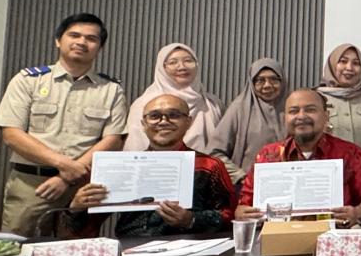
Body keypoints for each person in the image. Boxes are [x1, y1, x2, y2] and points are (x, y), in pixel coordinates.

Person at [0, 13, 129, 236]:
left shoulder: (111, 89)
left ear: (100, 47)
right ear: (58, 40)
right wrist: (64, 164)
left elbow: (113, 140)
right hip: (32, 184)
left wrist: (67, 176)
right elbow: (11, 134)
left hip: (84, 186)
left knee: (77, 248)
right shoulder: (28, 80)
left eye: (91, 38)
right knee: (18, 244)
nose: (82, 42)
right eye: (74, 35)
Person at [66, 95, 236, 237]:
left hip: (190, 253)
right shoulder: (122, 166)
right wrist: (76, 208)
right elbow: (84, 227)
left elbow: (231, 216)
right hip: (130, 251)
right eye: (154, 116)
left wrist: (191, 219)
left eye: (174, 115)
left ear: (188, 122)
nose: (163, 122)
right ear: (143, 124)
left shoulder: (208, 166)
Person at [236, 88, 361, 225]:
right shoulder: (268, 155)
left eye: (310, 110)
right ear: (285, 118)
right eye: (293, 111)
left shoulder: (350, 153)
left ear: (326, 116)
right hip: (278, 236)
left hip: (334, 236)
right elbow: (242, 206)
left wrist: (357, 212)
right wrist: (244, 214)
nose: (301, 116)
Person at [125, 43, 223, 152]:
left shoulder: (212, 103)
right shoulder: (144, 104)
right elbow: (135, 148)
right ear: (162, 68)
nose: (182, 67)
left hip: (204, 162)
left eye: (188, 61)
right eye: (173, 62)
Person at [209, 57, 286, 192]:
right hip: (247, 190)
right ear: (251, 82)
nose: (267, 85)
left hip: (287, 186)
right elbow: (214, 152)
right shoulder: (240, 109)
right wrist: (241, 177)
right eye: (260, 80)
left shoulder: (293, 108)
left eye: (274, 79)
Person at [318, 43, 361, 184]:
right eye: (343, 61)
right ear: (332, 64)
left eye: (356, 63)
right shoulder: (316, 98)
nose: (349, 68)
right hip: (325, 181)